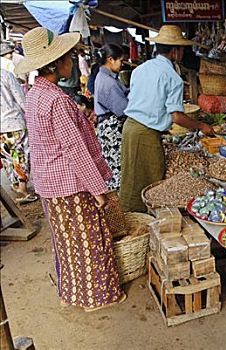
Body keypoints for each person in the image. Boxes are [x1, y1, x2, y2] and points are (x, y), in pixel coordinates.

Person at [14, 27, 125, 312]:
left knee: (67, 241)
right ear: (56, 63)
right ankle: (96, 298)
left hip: (50, 184)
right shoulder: (57, 101)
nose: (73, 62)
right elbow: (75, 149)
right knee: (90, 240)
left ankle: (72, 293)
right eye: (69, 57)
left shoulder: (36, 93)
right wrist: (98, 190)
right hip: (70, 184)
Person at [120, 25, 214, 212]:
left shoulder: (141, 69)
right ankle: (141, 218)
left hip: (129, 127)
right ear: (175, 51)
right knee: (150, 179)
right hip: (145, 133)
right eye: (181, 49)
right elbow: (177, 116)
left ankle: (131, 215)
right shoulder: (172, 77)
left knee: (130, 175)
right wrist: (200, 125)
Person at [94, 44, 128, 191]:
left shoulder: (106, 77)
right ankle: (119, 202)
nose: (122, 64)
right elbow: (123, 110)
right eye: (120, 61)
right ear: (110, 59)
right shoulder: (108, 82)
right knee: (116, 166)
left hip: (108, 125)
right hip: (111, 127)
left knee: (112, 164)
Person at [0, 68, 37, 204]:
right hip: (14, 122)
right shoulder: (5, 75)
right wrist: (30, 117)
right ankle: (22, 188)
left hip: (1, 129)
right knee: (21, 156)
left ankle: (16, 185)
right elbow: (21, 99)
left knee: (8, 158)